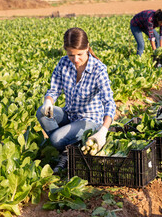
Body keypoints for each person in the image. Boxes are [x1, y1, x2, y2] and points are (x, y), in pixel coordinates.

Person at [36, 27, 116, 172]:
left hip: (90, 121)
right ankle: (68, 149)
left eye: (79, 54)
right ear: (66, 50)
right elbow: (54, 89)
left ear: (87, 48)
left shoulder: (98, 69)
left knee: (55, 139)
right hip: (71, 115)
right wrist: (48, 101)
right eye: (71, 55)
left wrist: (104, 130)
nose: (76, 59)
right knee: (41, 113)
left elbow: (109, 102)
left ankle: (65, 149)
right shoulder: (64, 63)